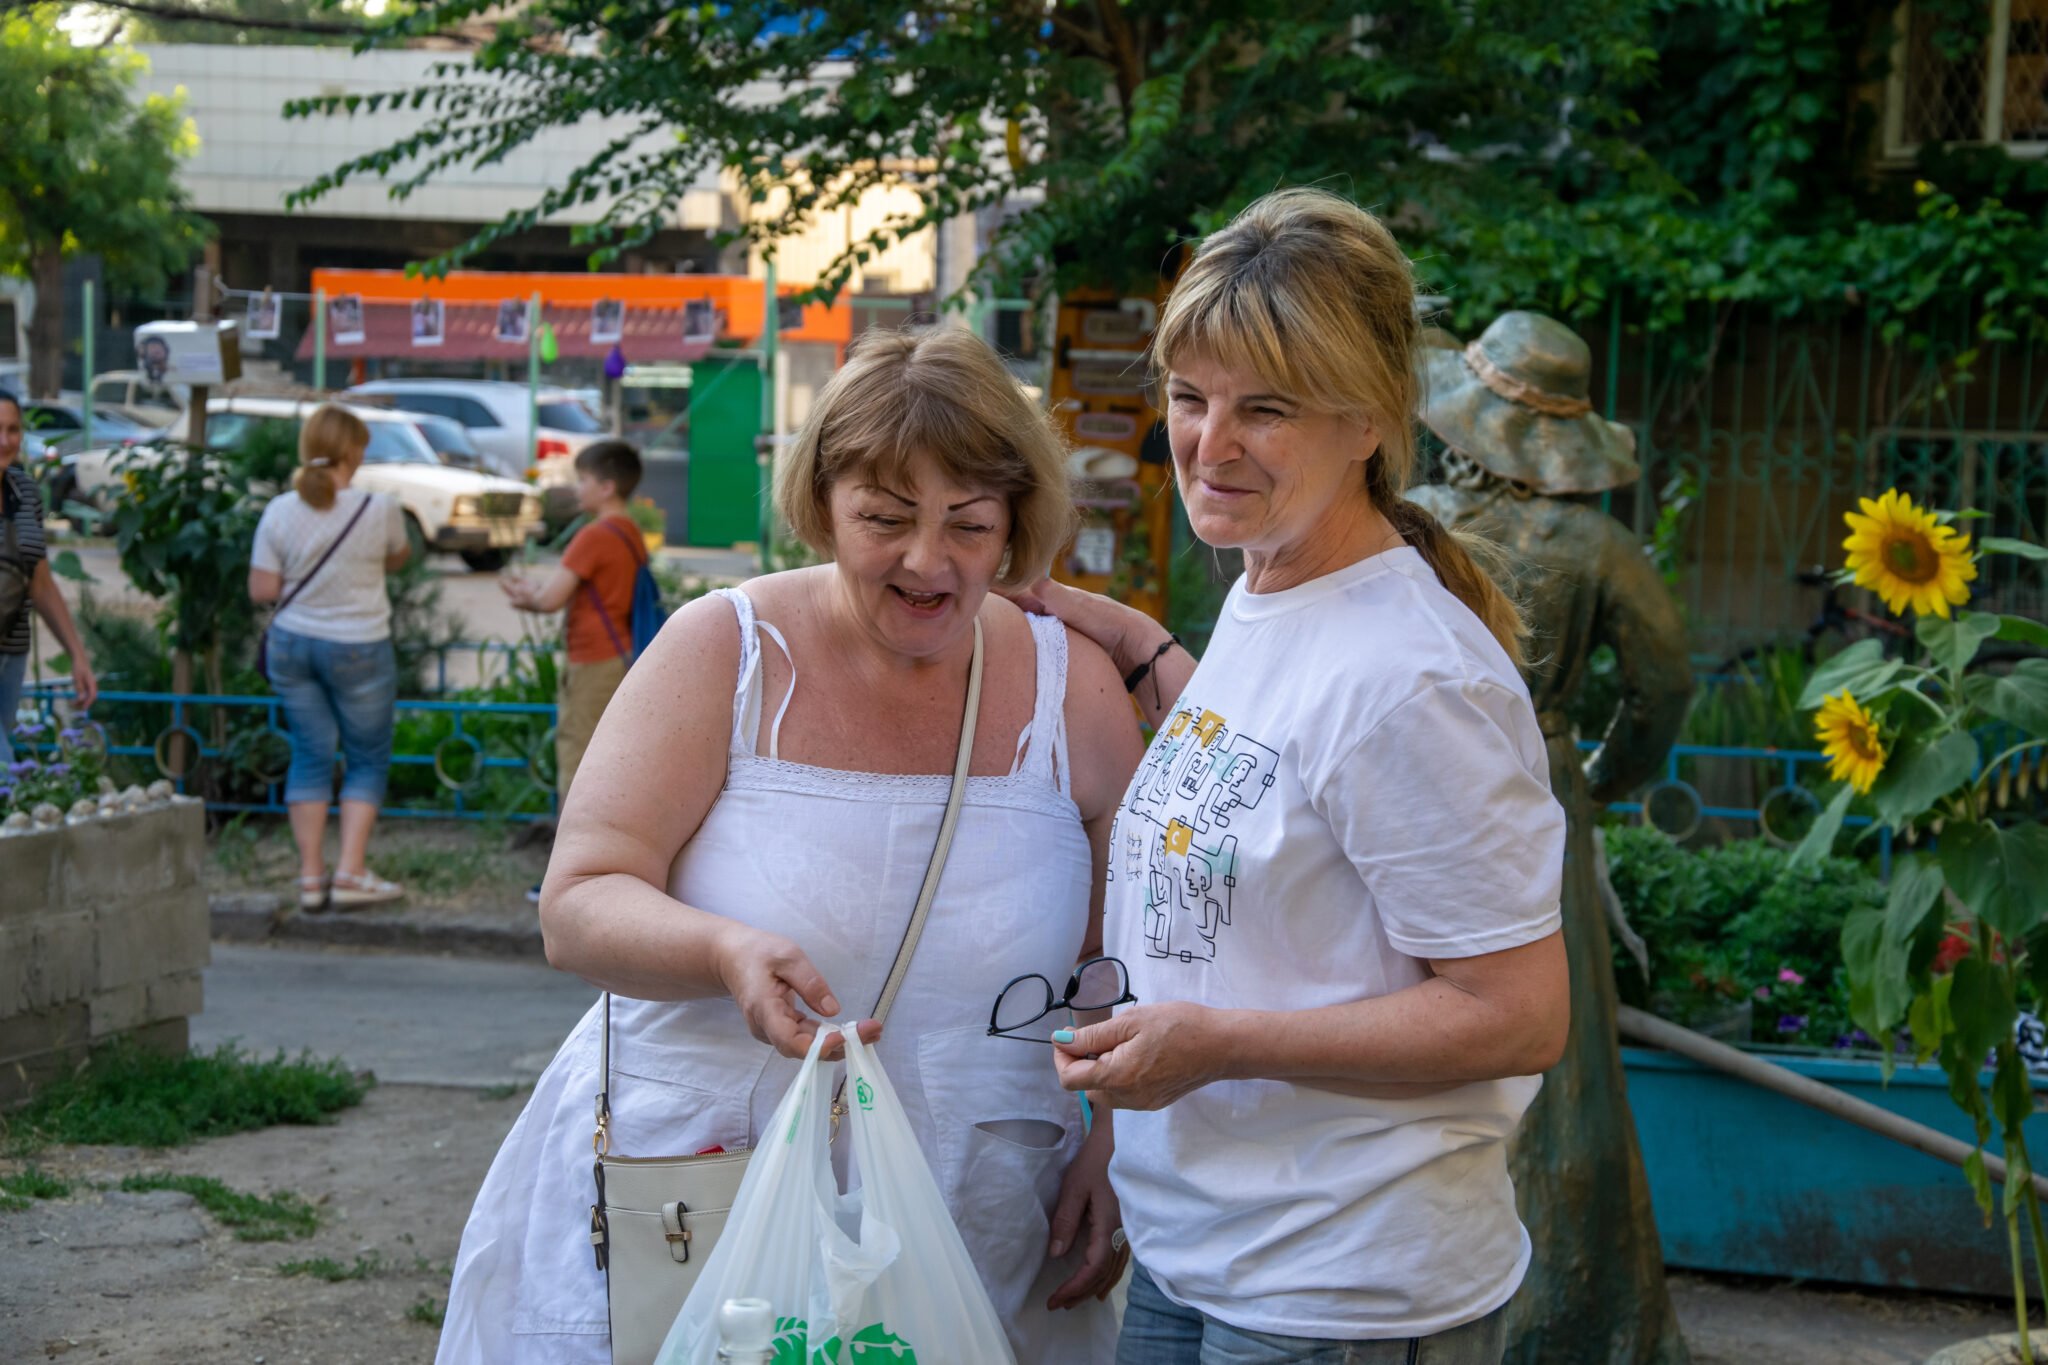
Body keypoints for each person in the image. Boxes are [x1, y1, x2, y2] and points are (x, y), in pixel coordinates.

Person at [436, 328, 1144, 1365]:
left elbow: (1125, 965)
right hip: (707, 1198)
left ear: (1016, 523)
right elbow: (578, 899)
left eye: (969, 524)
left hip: (981, 1218)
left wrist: (1116, 1143)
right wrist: (720, 950)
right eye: (885, 519)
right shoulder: (724, 650)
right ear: (821, 504)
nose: (926, 560)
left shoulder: (1069, 687)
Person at [1019, 188, 1572, 1362]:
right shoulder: (1267, 589)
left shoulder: (1412, 676)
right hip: (1202, 1249)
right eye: (1186, 397)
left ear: (1366, 420)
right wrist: (1120, 633)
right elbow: (1272, 818)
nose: (1207, 445)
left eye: (1262, 409)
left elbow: (1515, 1015)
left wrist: (1216, 1046)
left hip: (1338, 1287)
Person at [1411, 312, 1694, 1358]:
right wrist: (1602, 779)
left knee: (1414, 1022)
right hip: (1545, 786)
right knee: (1559, 1056)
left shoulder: (1413, 522)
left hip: (1414, 788)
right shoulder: (1599, 547)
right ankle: (1568, 1316)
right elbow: (1663, 685)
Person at [248, 404, 411, 911]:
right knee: (365, 758)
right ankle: (351, 872)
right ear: (353, 450)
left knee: (311, 754)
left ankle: (310, 878)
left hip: (293, 646)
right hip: (360, 644)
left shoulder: (279, 509)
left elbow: (262, 589)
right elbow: (398, 556)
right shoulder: (378, 508)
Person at [500, 439, 647, 902]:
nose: (577, 488)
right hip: (621, 657)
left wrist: (524, 593)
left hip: (593, 663)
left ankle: (567, 879)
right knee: (612, 767)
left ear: (605, 486)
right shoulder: (630, 532)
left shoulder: (596, 534)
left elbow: (549, 600)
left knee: (577, 768)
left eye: (582, 479)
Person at [0, 394, 98, 761]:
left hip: (12, 651)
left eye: (13, 430)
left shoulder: (23, 492)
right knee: (4, 772)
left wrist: (77, 654)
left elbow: (39, 581)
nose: (5, 441)